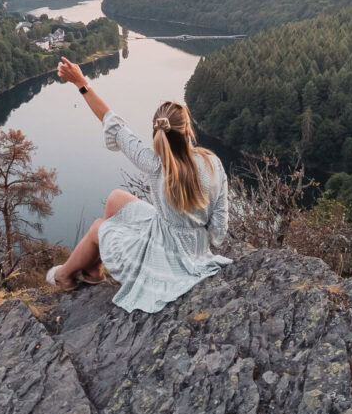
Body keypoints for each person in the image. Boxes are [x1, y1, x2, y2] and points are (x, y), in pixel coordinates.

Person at [46, 56, 233, 314]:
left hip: (166, 256)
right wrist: (197, 237)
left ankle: (64, 276)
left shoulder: (155, 163)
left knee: (100, 227)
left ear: (157, 132)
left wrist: (81, 82)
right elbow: (219, 233)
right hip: (192, 246)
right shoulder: (213, 163)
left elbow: (113, 123)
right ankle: (91, 269)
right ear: (187, 128)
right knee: (115, 199)